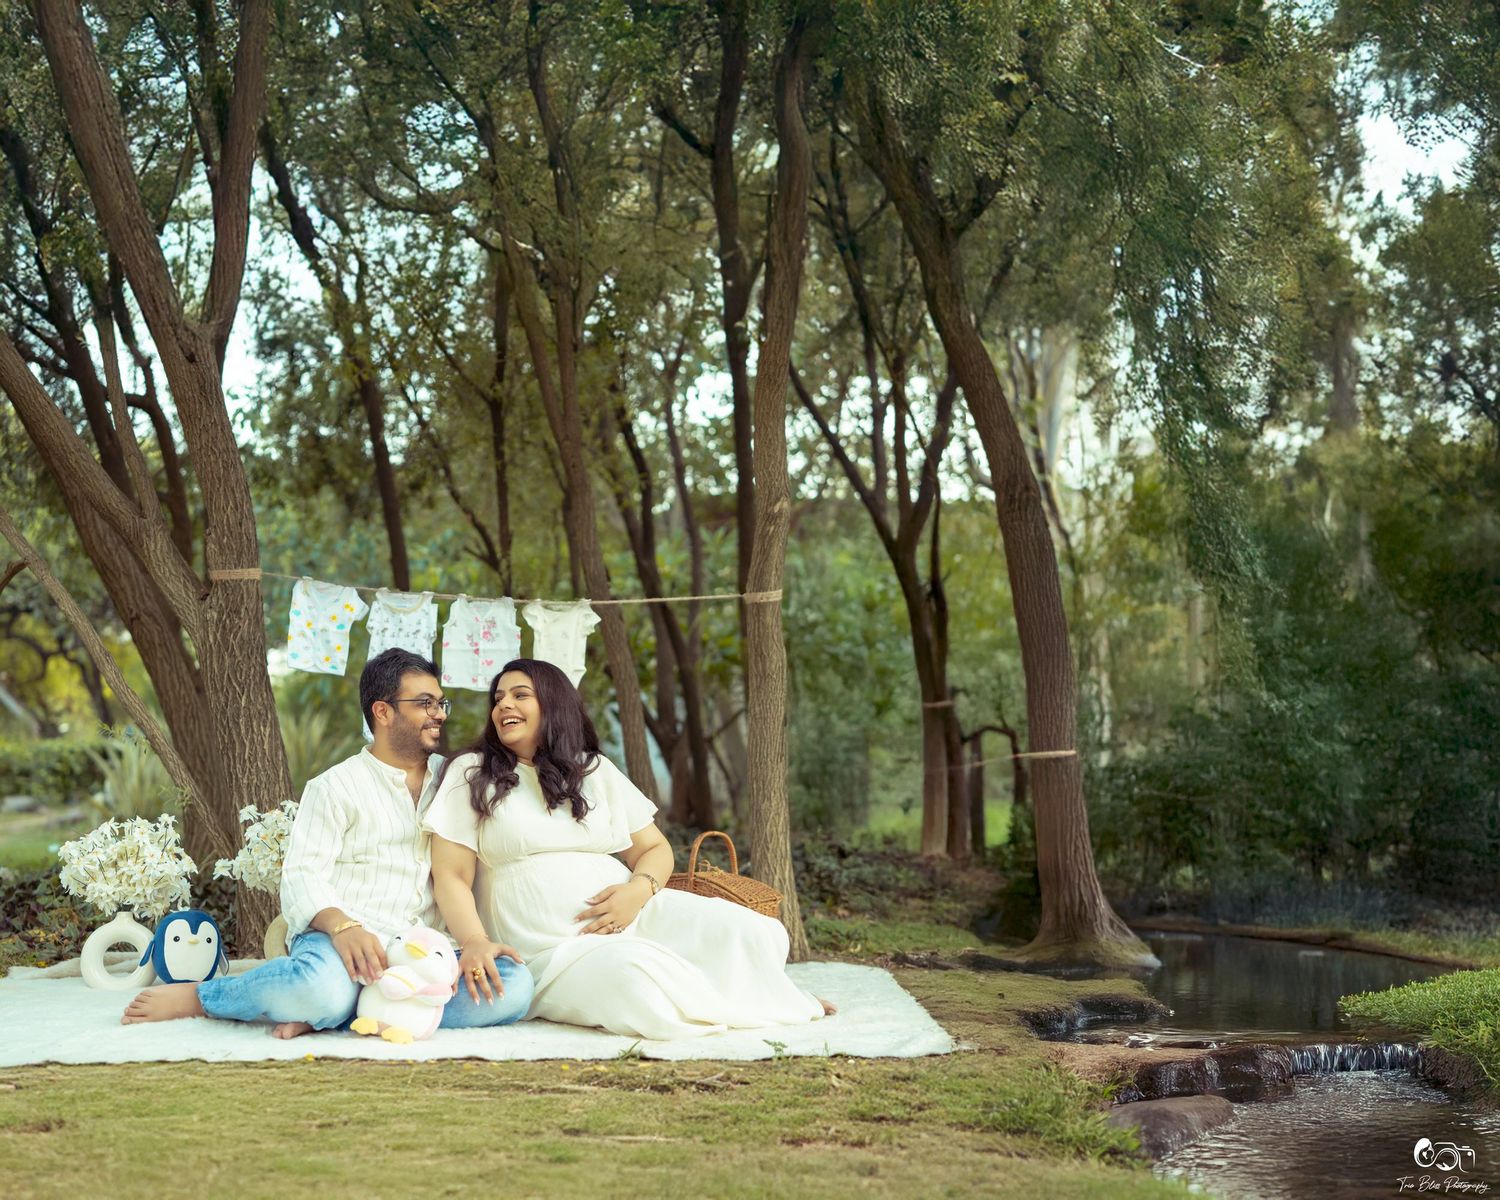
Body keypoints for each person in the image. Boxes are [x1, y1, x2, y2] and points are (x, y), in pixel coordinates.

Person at [121, 648, 534, 1036]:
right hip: (341, 943)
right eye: (425, 703)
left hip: (422, 955)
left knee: (514, 986)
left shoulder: (455, 779)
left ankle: (338, 1011)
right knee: (319, 987)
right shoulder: (334, 786)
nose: (439, 714)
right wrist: (344, 928)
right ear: (383, 711)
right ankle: (207, 997)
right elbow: (302, 876)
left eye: (441, 703)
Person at [425, 657, 828, 1040]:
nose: (503, 706)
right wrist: (474, 940)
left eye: (520, 695)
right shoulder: (472, 773)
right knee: (635, 976)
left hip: (638, 914)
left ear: (553, 704)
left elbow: (654, 848)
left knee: (750, 930)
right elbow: (451, 874)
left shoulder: (592, 770)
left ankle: (769, 998)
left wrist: (637, 892)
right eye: (498, 698)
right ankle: (751, 1004)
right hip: (553, 948)